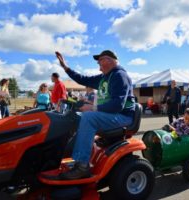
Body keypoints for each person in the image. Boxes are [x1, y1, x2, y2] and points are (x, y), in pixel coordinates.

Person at [55, 50, 135, 179]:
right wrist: (65, 67)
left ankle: (82, 167)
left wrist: (93, 107)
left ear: (109, 60)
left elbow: (117, 105)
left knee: (88, 117)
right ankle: (65, 154)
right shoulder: (104, 77)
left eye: (100, 61)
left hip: (122, 117)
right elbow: (83, 79)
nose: (98, 66)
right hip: (110, 115)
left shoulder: (119, 76)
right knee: (74, 116)